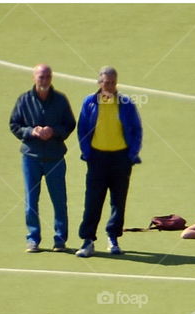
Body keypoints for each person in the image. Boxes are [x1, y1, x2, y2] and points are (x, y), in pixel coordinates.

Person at [74, 66, 143, 258]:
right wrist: (87, 153)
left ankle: (113, 237)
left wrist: (131, 154)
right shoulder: (89, 102)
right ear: (99, 83)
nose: (109, 86)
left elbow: (136, 130)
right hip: (97, 158)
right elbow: (82, 129)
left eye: (113, 82)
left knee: (118, 201)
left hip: (120, 158)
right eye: (106, 82)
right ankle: (88, 240)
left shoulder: (126, 103)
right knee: (93, 201)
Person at [9, 64, 76, 253]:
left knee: (59, 200)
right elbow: (14, 124)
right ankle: (33, 239)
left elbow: (70, 124)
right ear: (34, 78)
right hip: (31, 158)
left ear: (51, 78)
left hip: (55, 158)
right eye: (41, 77)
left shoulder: (61, 100)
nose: (44, 80)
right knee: (31, 200)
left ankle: (60, 239)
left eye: (47, 77)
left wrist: (54, 131)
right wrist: (32, 131)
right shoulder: (24, 100)